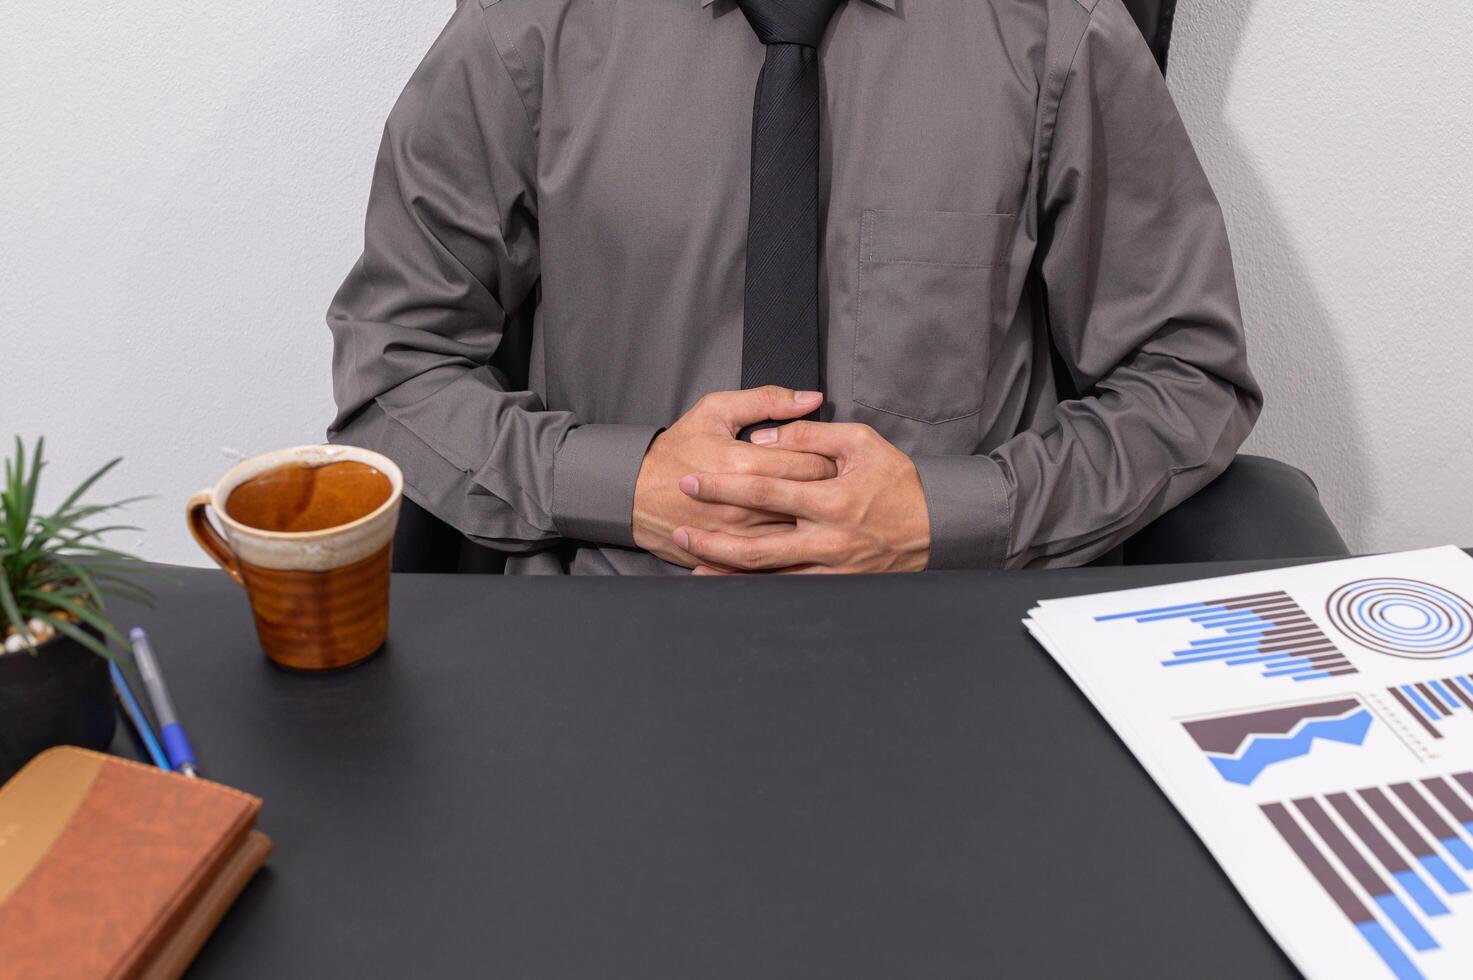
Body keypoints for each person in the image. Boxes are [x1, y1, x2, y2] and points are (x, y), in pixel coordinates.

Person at [326, 0, 1260, 576]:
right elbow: (395, 368)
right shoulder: (522, 30)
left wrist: (954, 515)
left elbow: (1188, 378)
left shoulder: (1057, 32)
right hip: (609, 623)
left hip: (953, 629)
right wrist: (624, 483)